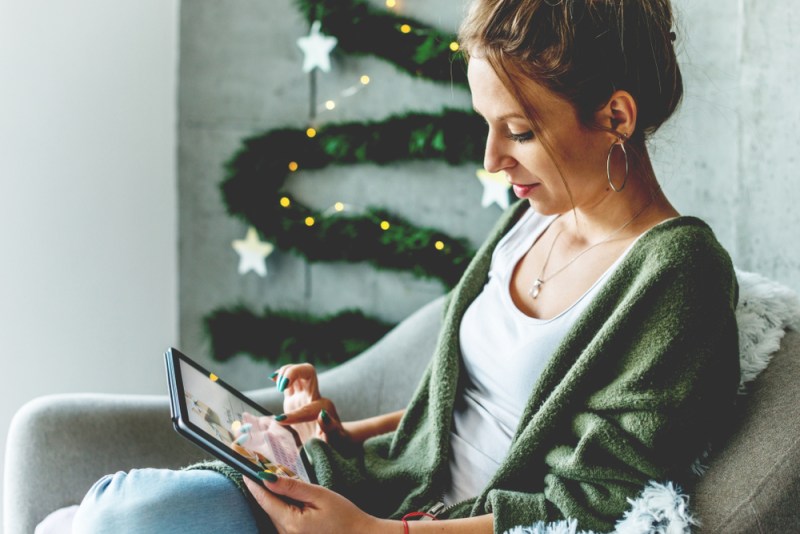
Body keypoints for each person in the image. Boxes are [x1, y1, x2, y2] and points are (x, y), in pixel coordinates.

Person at [72, 0, 740, 532]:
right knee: (99, 512)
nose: (491, 160)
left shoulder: (678, 274)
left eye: (521, 132)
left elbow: (592, 504)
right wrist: (321, 433)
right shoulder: (533, 217)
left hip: (411, 525)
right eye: (487, 124)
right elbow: (462, 409)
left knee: (118, 514)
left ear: (616, 115)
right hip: (365, 491)